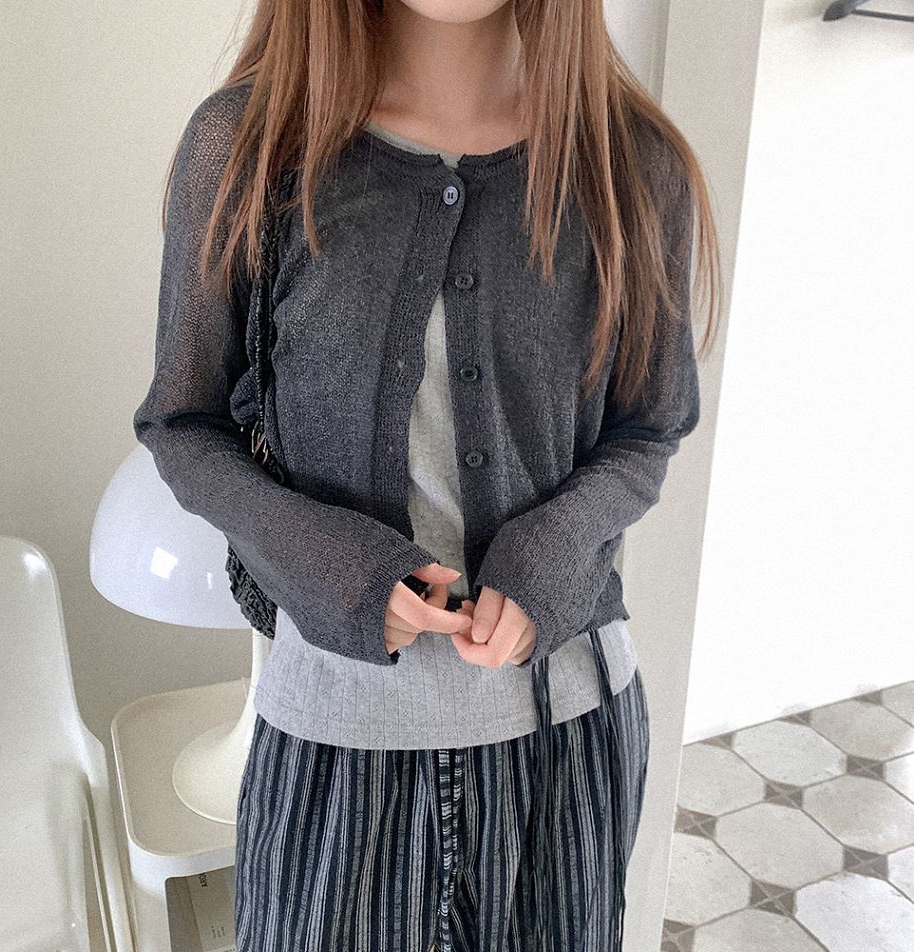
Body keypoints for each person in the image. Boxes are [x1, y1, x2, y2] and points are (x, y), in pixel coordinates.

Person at [132, 1, 721, 949]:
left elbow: (649, 429)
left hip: (566, 745)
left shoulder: (632, 165)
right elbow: (183, 424)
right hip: (334, 748)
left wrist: (548, 554)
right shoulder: (249, 148)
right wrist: (335, 567)